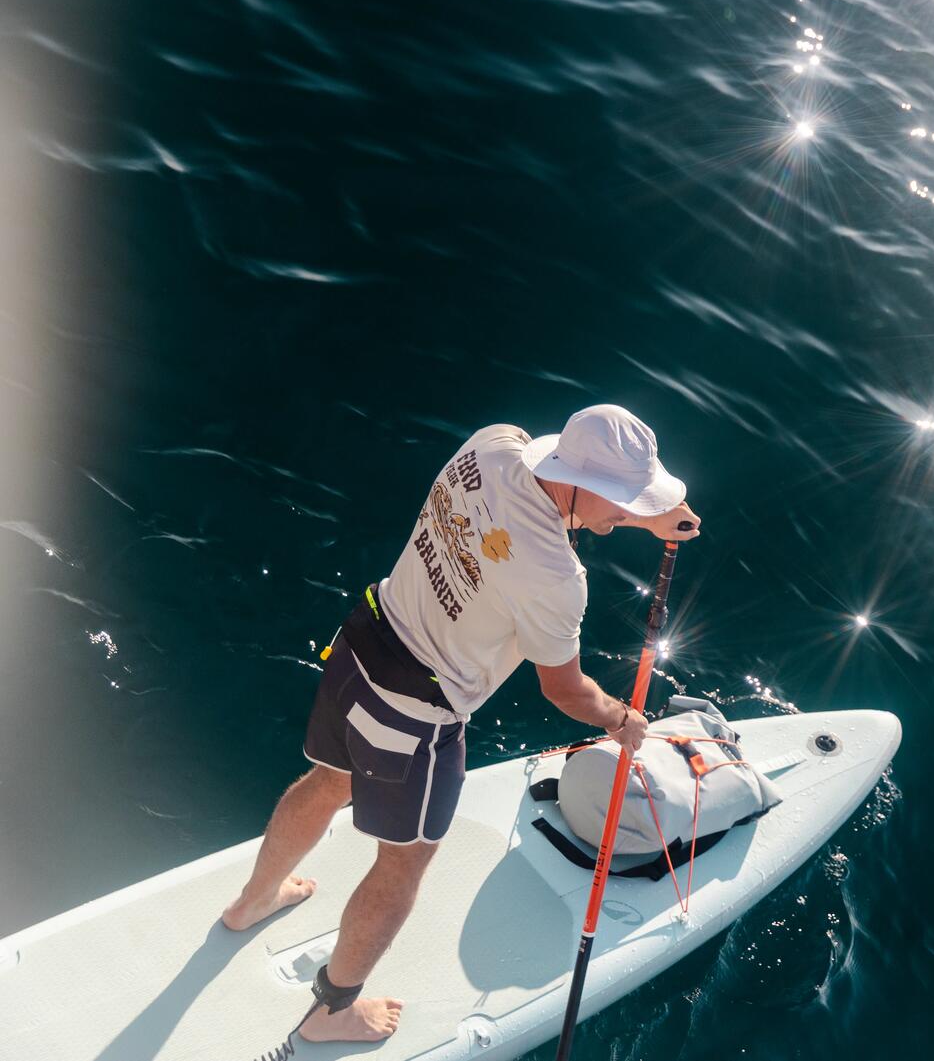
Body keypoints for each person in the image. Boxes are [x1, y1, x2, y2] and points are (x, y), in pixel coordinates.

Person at [218, 404, 700, 1044]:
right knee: (401, 868)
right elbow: (563, 688)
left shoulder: (494, 442)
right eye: (623, 500)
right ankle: (333, 1010)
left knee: (327, 781)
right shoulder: (559, 579)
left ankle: (253, 901)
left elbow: (543, 508)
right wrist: (621, 720)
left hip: (362, 640)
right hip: (415, 710)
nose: (625, 516)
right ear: (585, 482)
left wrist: (647, 515)